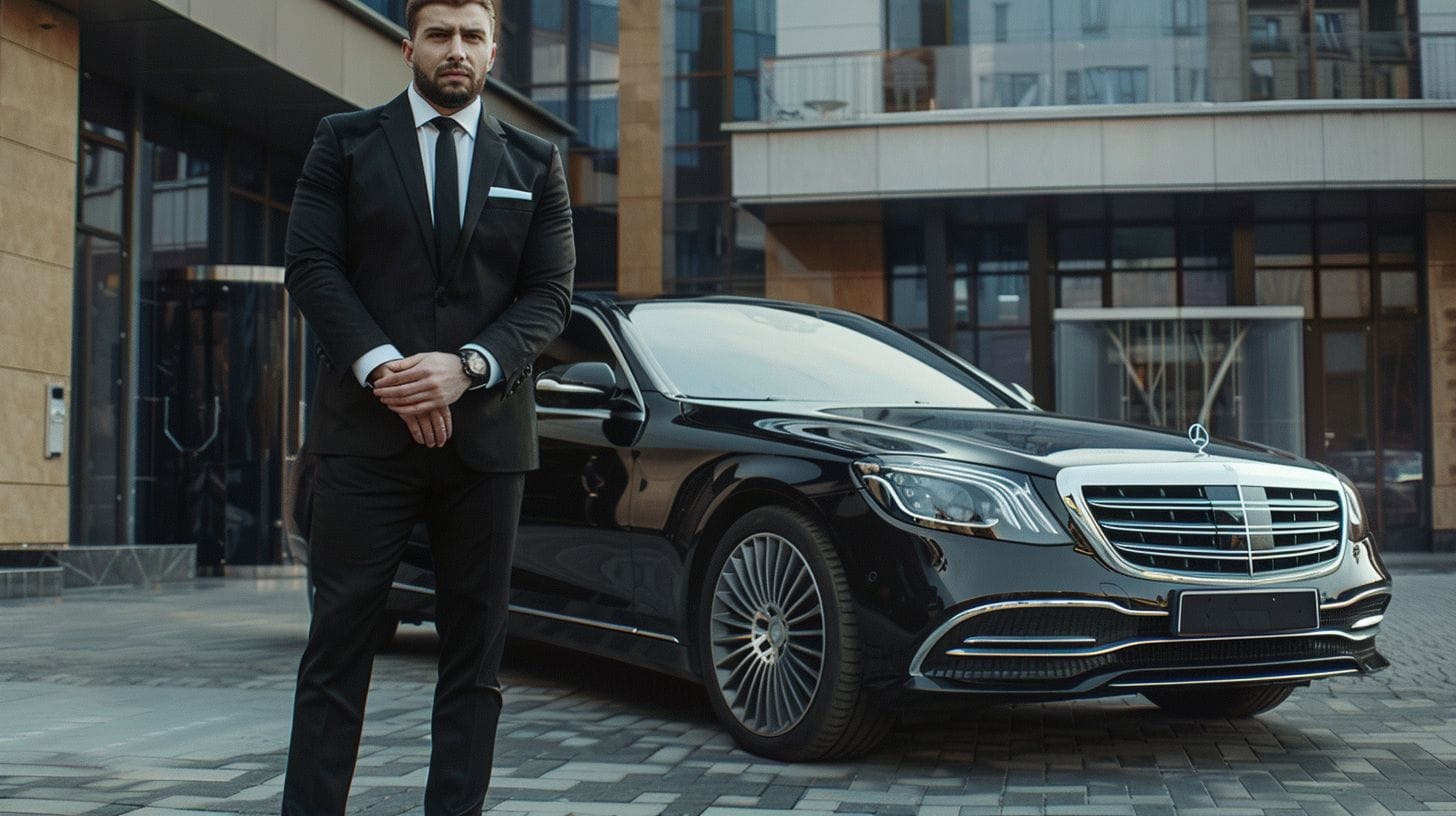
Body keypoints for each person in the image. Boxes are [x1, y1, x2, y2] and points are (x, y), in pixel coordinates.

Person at [280, 0, 574, 811]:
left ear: (493, 51)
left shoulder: (536, 162)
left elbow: (550, 297)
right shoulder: (342, 143)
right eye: (440, 35)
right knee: (337, 651)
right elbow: (311, 267)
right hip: (361, 439)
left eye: (472, 36)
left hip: (485, 444)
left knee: (474, 663)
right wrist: (389, 372)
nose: (456, 51)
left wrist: (467, 367)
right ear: (409, 46)